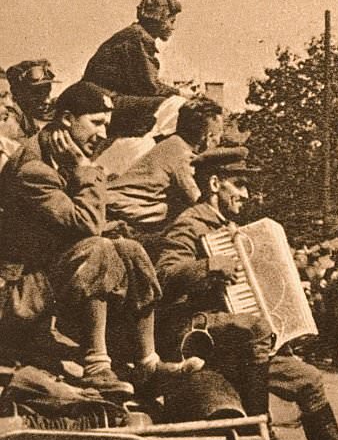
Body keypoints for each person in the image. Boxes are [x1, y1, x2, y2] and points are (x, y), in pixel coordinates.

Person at [154, 146, 338, 440]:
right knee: (255, 328)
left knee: (308, 380)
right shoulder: (189, 224)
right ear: (215, 184)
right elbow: (162, 276)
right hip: (195, 332)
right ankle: (257, 432)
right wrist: (207, 267)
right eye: (239, 185)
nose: (246, 194)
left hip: (236, 341)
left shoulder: (231, 229)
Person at [0, 81, 202, 395]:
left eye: (106, 124)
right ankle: (96, 366)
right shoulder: (34, 168)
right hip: (16, 292)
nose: (104, 134)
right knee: (98, 249)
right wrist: (85, 167)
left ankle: (148, 362)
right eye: (96, 123)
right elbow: (88, 225)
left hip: (44, 277)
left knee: (129, 248)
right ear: (67, 119)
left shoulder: (57, 154)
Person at [106, 96, 224, 233]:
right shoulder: (183, 155)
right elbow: (199, 203)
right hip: (117, 212)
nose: (219, 140)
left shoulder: (173, 144)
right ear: (208, 138)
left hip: (115, 206)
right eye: (219, 133)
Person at [83, 0, 183, 137]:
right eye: (171, 21)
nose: (173, 27)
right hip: (103, 102)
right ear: (159, 19)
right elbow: (149, 86)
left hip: (104, 100)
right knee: (172, 104)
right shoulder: (138, 37)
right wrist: (180, 93)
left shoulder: (135, 34)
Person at [5, 59, 57, 139]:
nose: (47, 101)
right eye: (37, 94)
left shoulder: (57, 112)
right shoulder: (7, 121)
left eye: (47, 92)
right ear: (18, 93)